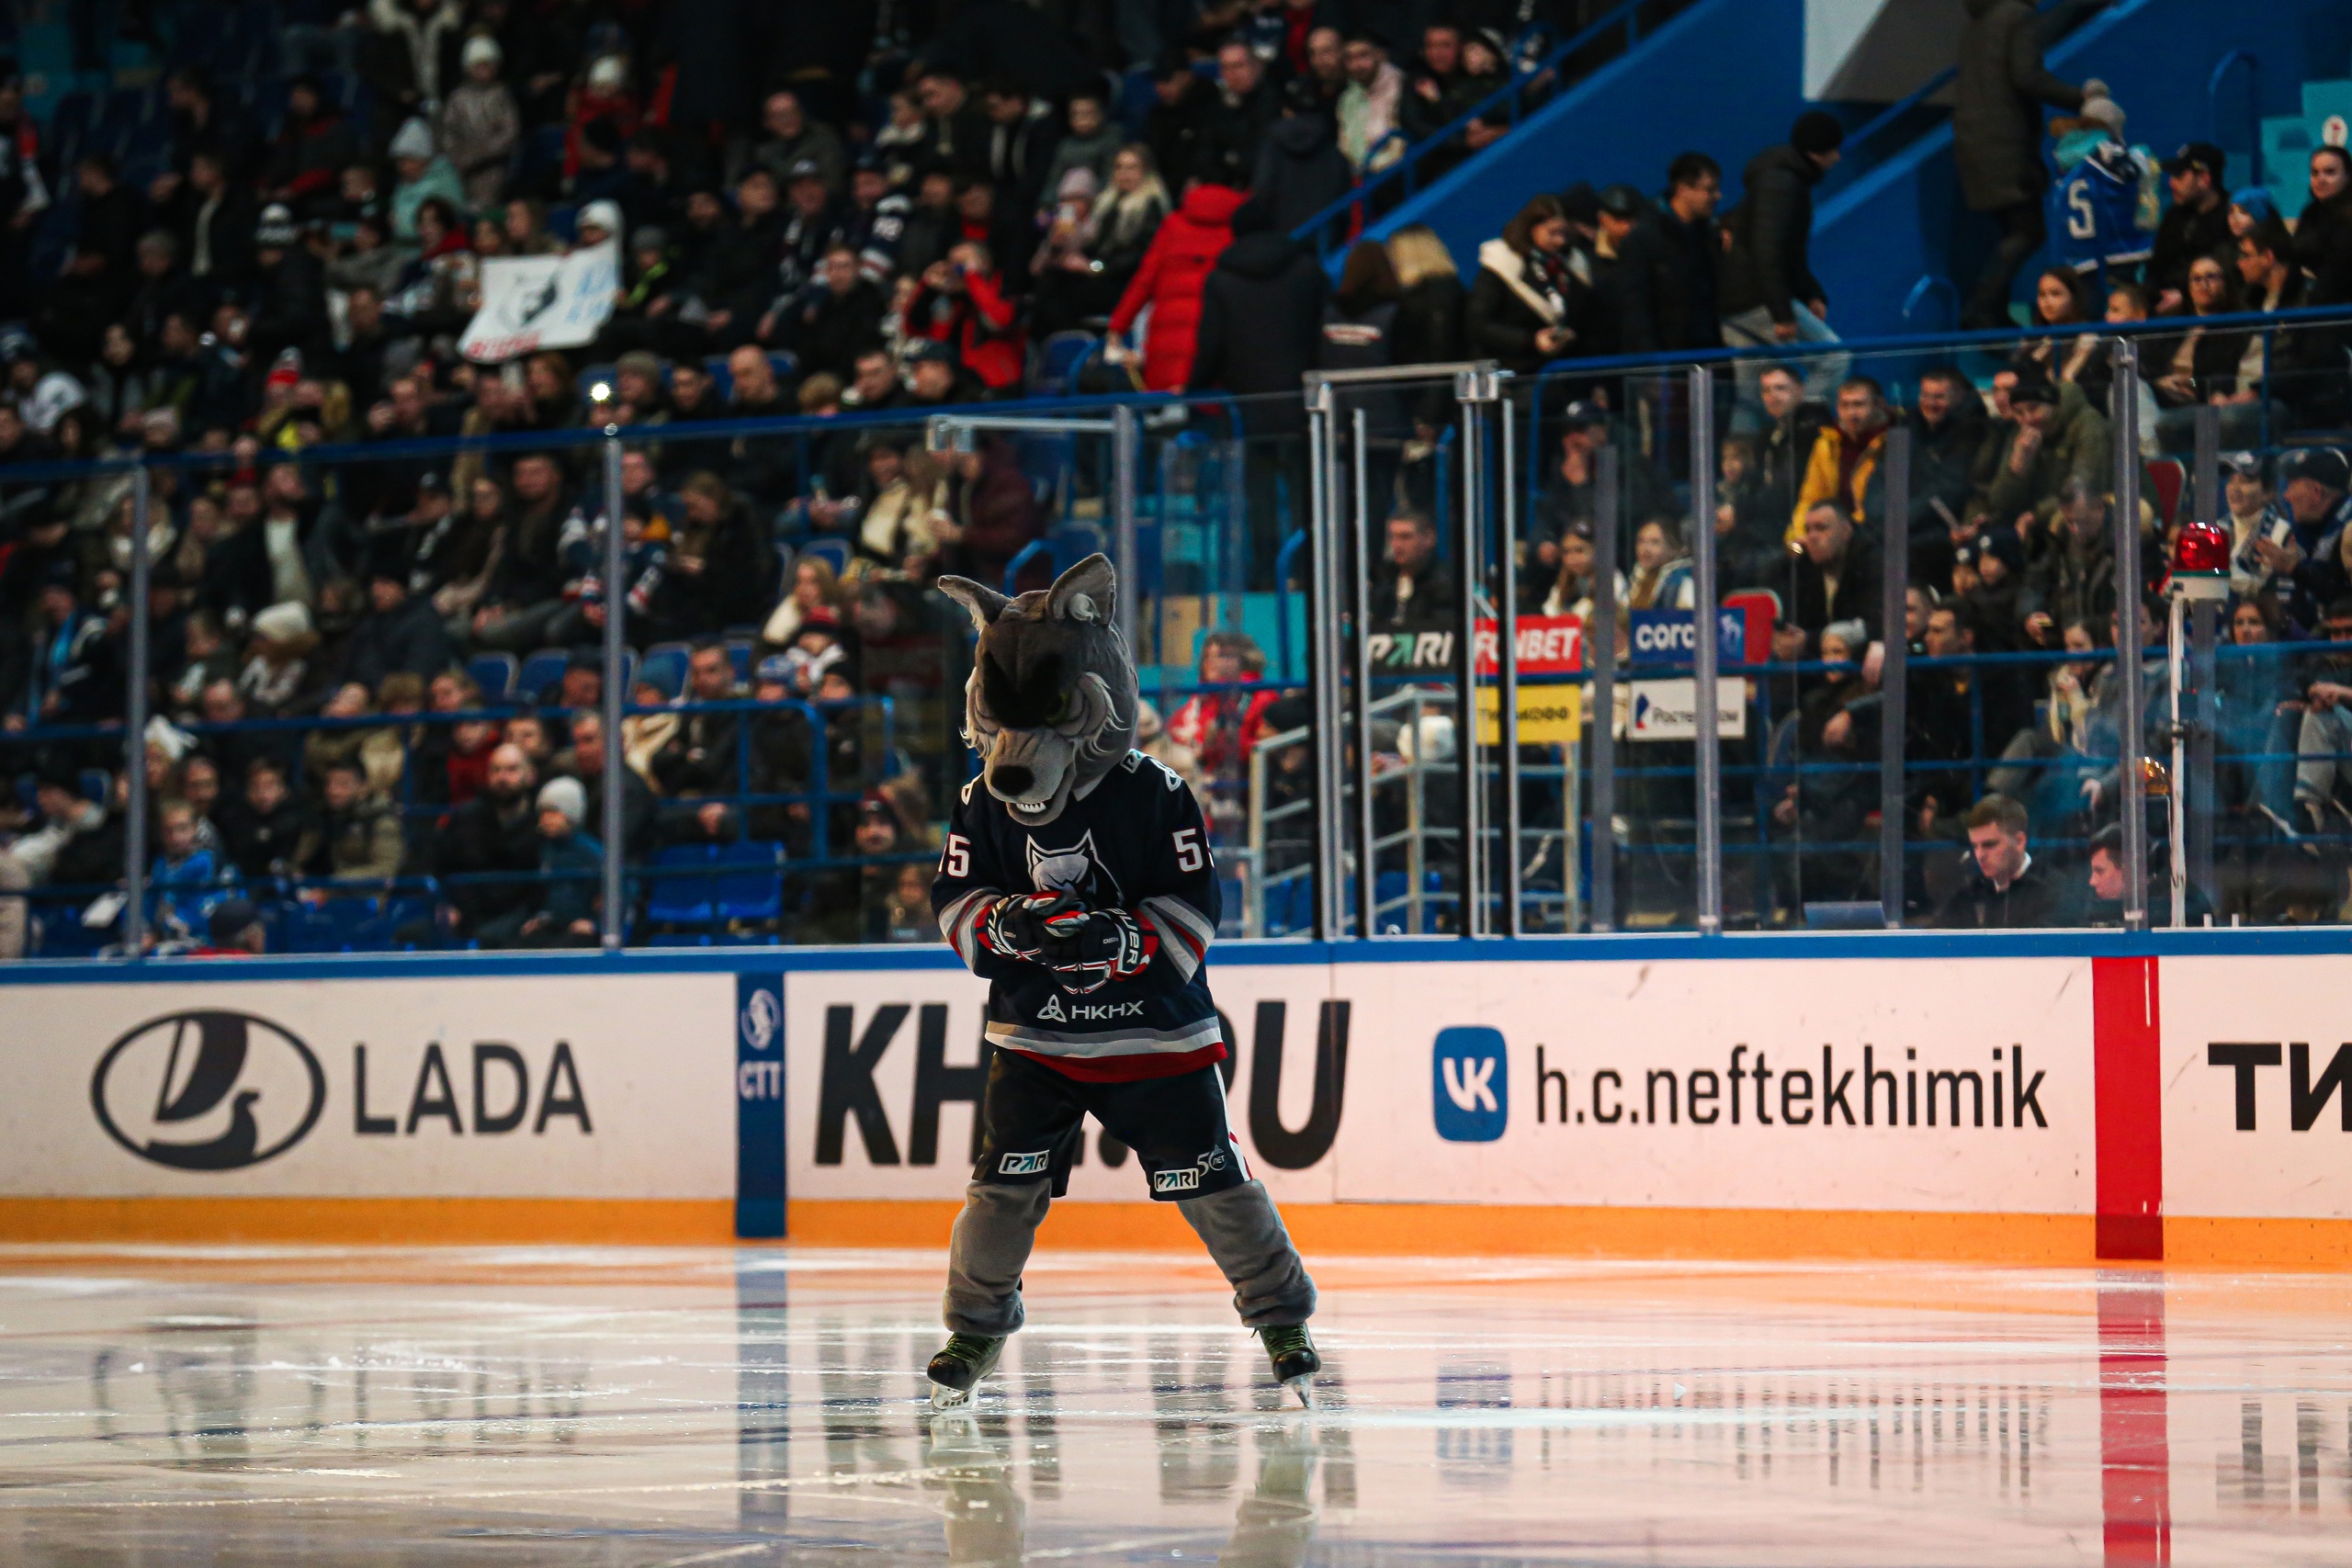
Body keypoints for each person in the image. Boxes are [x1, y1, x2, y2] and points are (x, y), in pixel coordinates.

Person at [925, 556, 1317, 1409]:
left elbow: (1194, 904)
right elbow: (955, 897)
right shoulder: (981, 798)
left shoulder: (1157, 793)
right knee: (1001, 1190)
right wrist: (1008, 924)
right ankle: (974, 1326)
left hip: (1156, 1039)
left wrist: (1125, 938)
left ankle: (1282, 1318)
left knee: (1214, 1182)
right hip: (1035, 1038)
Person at [1952, 0, 2092, 328]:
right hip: (2006, 144)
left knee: (2011, 230)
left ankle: (1994, 313)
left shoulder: (1981, 22)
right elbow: (2028, 77)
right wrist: (2084, 99)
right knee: (2028, 231)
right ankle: (1979, 308)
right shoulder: (2017, 15)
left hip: (1976, 143)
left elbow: (2039, 33)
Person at [1720, 111, 1848, 400]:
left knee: (1751, 393)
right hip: (1754, 299)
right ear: (1817, 151)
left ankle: (1760, 433)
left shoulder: (1778, 177)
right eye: (1833, 149)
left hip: (1735, 300)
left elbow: (1788, 250)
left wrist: (1810, 292)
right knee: (1833, 358)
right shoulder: (1782, 184)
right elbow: (1768, 250)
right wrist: (1782, 313)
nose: (1838, 157)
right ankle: (1807, 421)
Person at [1106, 178, 1245, 391]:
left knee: (1165, 406)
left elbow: (1143, 282)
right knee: (1209, 403)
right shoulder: (1238, 229)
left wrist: (1118, 326)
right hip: (1212, 346)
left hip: (1166, 345)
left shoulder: (1173, 225)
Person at [1466, 194, 1582, 375]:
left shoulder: (1569, 266)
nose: (1561, 241)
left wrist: (1571, 334)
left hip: (1557, 373)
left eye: (1564, 233)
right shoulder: (1500, 266)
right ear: (1531, 228)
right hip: (1510, 372)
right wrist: (1531, 341)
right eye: (1552, 233)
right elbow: (1479, 325)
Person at [1935, 793, 2076, 927]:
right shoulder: (1969, 894)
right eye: (1975, 846)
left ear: (2019, 841)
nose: (1980, 855)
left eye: (1989, 845)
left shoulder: (2056, 891)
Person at [2147, 142, 2231, 315]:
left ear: (2204, 179)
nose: (2171, 182)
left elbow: (2228, 274)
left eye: (2179, 175)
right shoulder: (2173, 216)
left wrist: (2184, 296)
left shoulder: (2232, 217)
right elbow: (2155, 269)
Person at [1368, 508, 1457, 635]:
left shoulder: (1447, 583)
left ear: (1429, 538)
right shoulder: (1382, 578)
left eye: (1405, 537)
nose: (1397, 545)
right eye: (1392, 537)